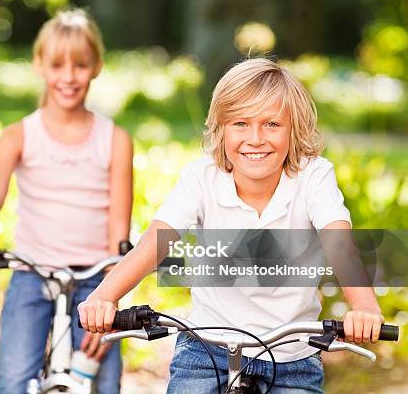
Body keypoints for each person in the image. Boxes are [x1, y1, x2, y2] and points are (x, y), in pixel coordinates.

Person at [77, 58, 383, 393]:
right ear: (220, 129)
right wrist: (105, 296)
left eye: (272, 124)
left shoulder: (313, 176)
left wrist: (364, 308)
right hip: (206, 349)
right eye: (240, 123)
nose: (255, 139)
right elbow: (156, 242)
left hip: (292, 357)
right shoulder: (202, 177)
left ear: (294, 130)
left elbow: (339, 244)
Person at [0, 8, 133, 394]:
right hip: (33, 273)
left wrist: (112, 294)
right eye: (57, 65)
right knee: (14, 380)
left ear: (96, 66)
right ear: (39, 65)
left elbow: (119, 224)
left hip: (95, 280)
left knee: (105, 381)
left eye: (80, 65)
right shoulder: (19, 135)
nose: (68, 76)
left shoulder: (114, 140)